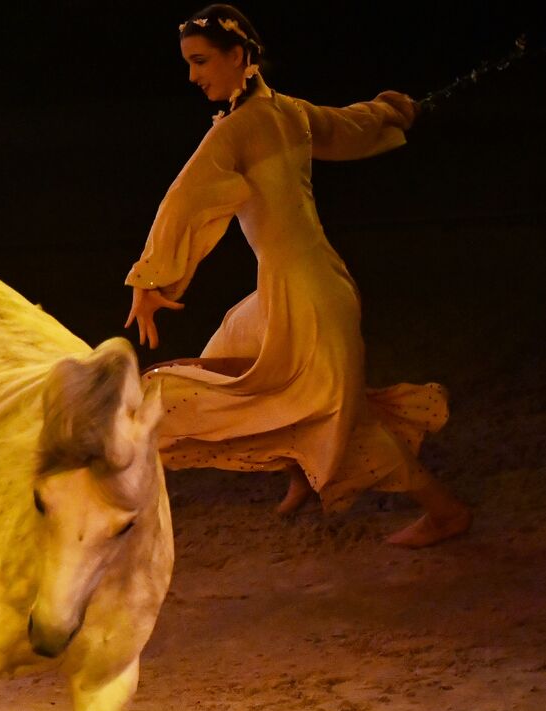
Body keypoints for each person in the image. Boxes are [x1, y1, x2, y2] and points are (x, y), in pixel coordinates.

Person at [124, 4, 471, 547]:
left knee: (340, 424)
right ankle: (298, 471)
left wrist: (149, 284)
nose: (192, 76)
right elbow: (350, 125)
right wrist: (392, 110)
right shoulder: (286, 112)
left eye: (200, 62)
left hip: (306, 298)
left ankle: (444, 511)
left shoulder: (239, 129)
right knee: (228, 350)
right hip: (308, 285)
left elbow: (182, 201)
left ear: (238, 56)